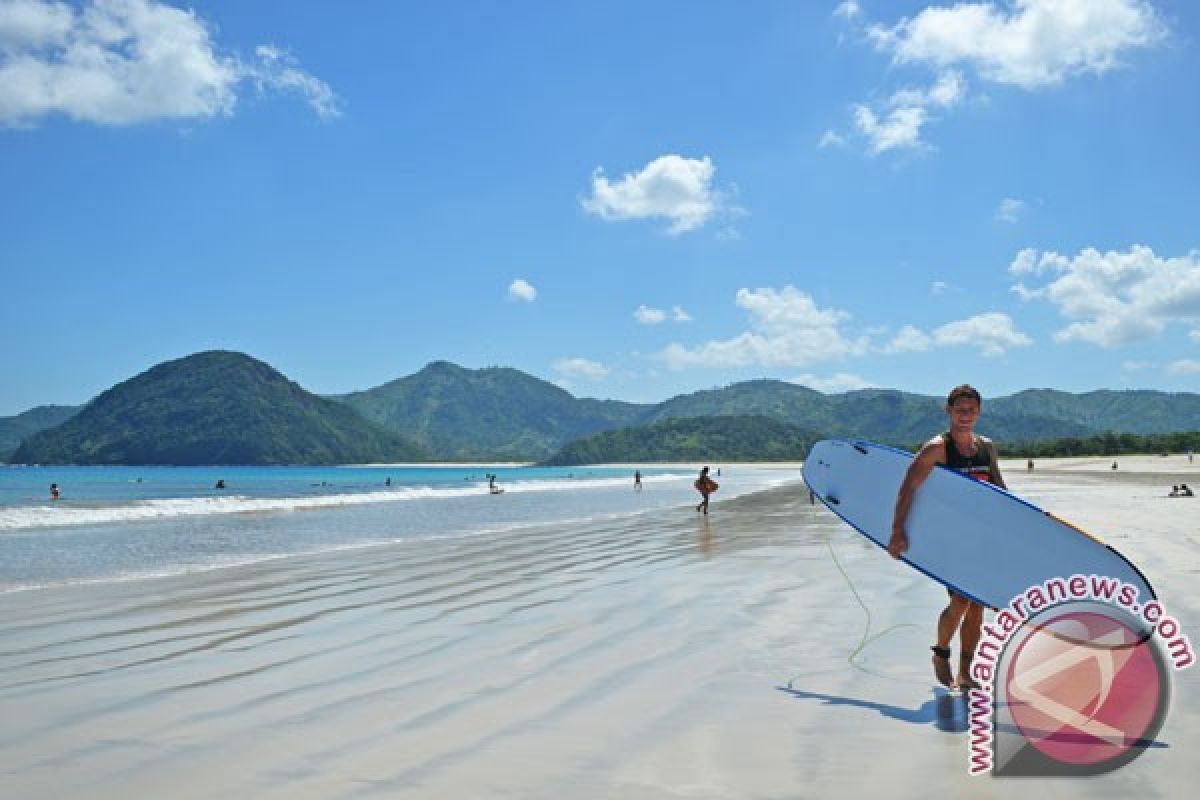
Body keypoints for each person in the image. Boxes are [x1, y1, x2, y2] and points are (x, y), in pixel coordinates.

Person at [889, 384, 1006, 691]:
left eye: (971, 410)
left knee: (977, 607)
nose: (965, 415)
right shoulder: (936, 448)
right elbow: (908, 487)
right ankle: (941, 652)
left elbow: (1001, 492)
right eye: (959, 410)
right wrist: (897, 531)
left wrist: (1011, 534)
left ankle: (966, 673)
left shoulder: (986, 447)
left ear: (979, 412)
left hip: (982, 538)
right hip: (951, 540)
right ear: (949, 411)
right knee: (962, 599)